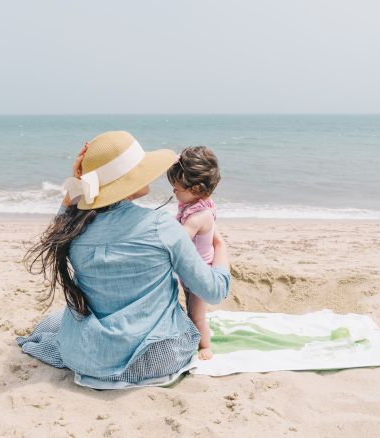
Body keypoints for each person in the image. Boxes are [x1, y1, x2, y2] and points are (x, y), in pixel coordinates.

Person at [18, 131, 231, 389]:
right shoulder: (161, 226)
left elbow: (61, 221)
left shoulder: (72, 229)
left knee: (55, 322)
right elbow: (214, 291)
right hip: (156, 359)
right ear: (127, 180)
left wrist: (77, 186)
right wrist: (220, 247)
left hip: (88, 355)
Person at [166, 146, 221, 360]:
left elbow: (179, 239)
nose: (174, 192)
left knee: (196, 315)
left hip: (199, 274)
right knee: (190, 306)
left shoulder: (199, 217)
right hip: (190, 272)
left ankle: (205, 346)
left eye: (177, 188)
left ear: (196, 189)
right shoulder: (195, 205)